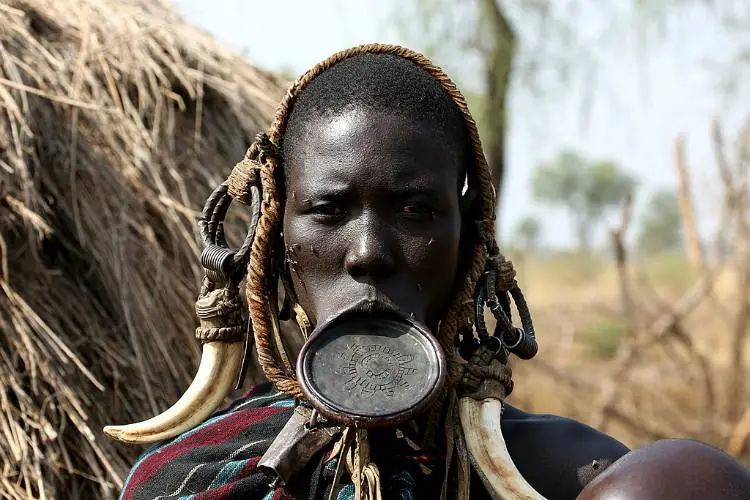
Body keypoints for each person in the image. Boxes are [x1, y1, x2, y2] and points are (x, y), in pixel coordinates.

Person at [109, 45, 750, 500]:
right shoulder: (188, 479)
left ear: (470, 244)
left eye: (415, 211)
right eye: (330, 211)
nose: (369, 254)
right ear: (274, 245)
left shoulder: (564, 474)